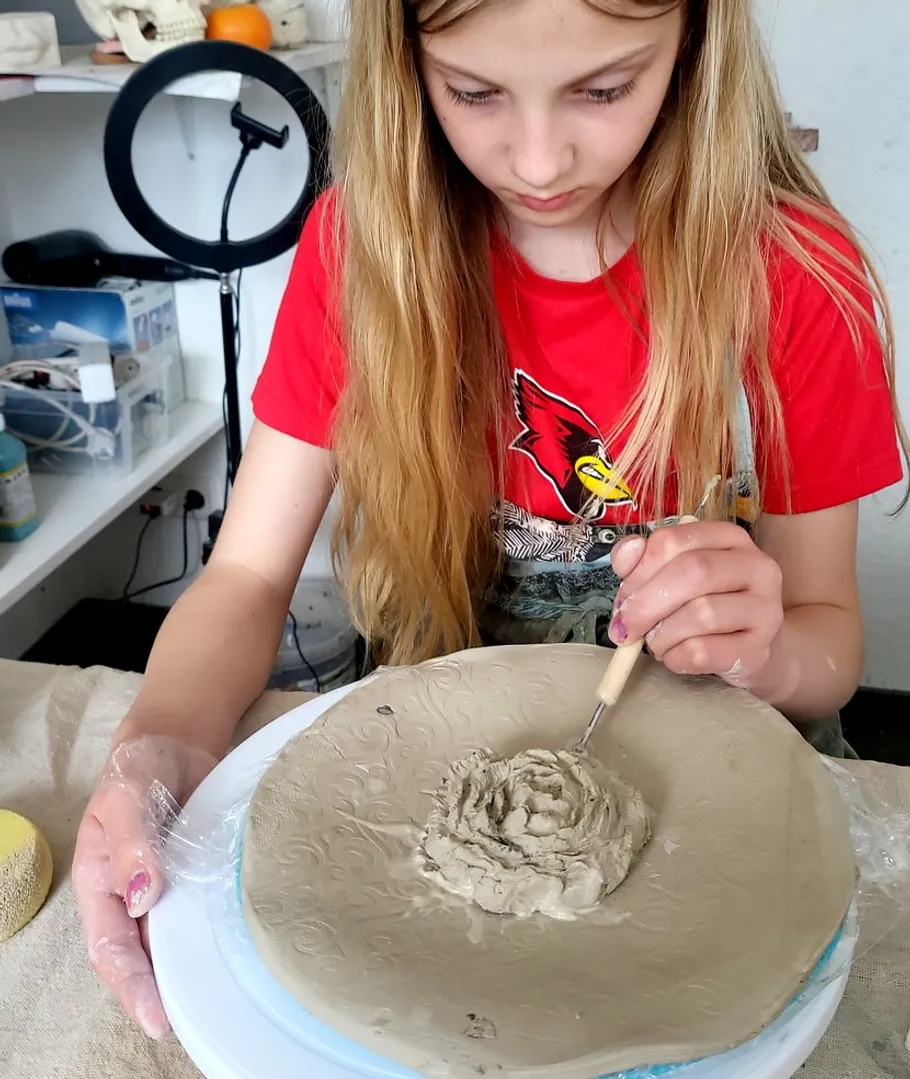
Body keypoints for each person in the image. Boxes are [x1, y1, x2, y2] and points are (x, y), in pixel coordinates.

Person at [73, 0, 906, 1040]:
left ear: (695, 43)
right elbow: (244, 580)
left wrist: (771, 647)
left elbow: (829, 646)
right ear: (404, 63)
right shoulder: (364, 249)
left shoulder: (793, 276)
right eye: (473, 93)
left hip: (727, 792)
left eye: (605, 89)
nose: (542, 158)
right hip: (446, 764)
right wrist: (156, 746)